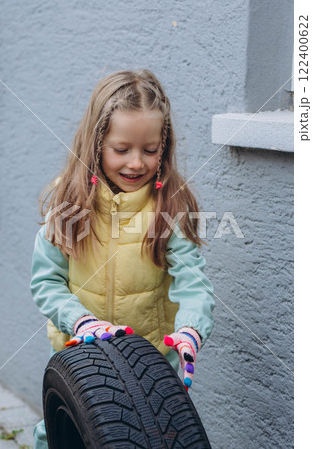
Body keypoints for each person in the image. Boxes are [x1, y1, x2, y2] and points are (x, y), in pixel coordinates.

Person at [30, 69, 215, 448]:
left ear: (164, 145)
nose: (136, 163)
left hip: (151, 369)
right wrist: (79, 320)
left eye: (150, 150)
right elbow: (45, 282)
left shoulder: (171, 209)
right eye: (121, 149)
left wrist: (192, 329)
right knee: (57, 436)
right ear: (96, 143)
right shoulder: (67, 208)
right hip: (79, 360)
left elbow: (195, 286)